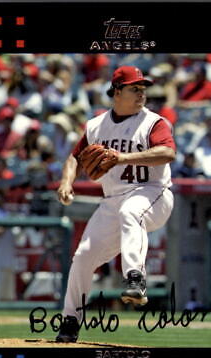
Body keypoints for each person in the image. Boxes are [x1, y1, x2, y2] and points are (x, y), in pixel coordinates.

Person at [56, 66, 176, 342]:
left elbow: (167, 152)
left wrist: (122, 158)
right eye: (135, 88)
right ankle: (70, 321)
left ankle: (135, 277)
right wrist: (66, 182)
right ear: (117, 91)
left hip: (153, 193)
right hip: (112, 201)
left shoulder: (153, 122)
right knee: (84, 257)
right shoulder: (97, 125)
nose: (141, 93)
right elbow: (75, 157)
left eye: (143, 88)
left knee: (131, 210)